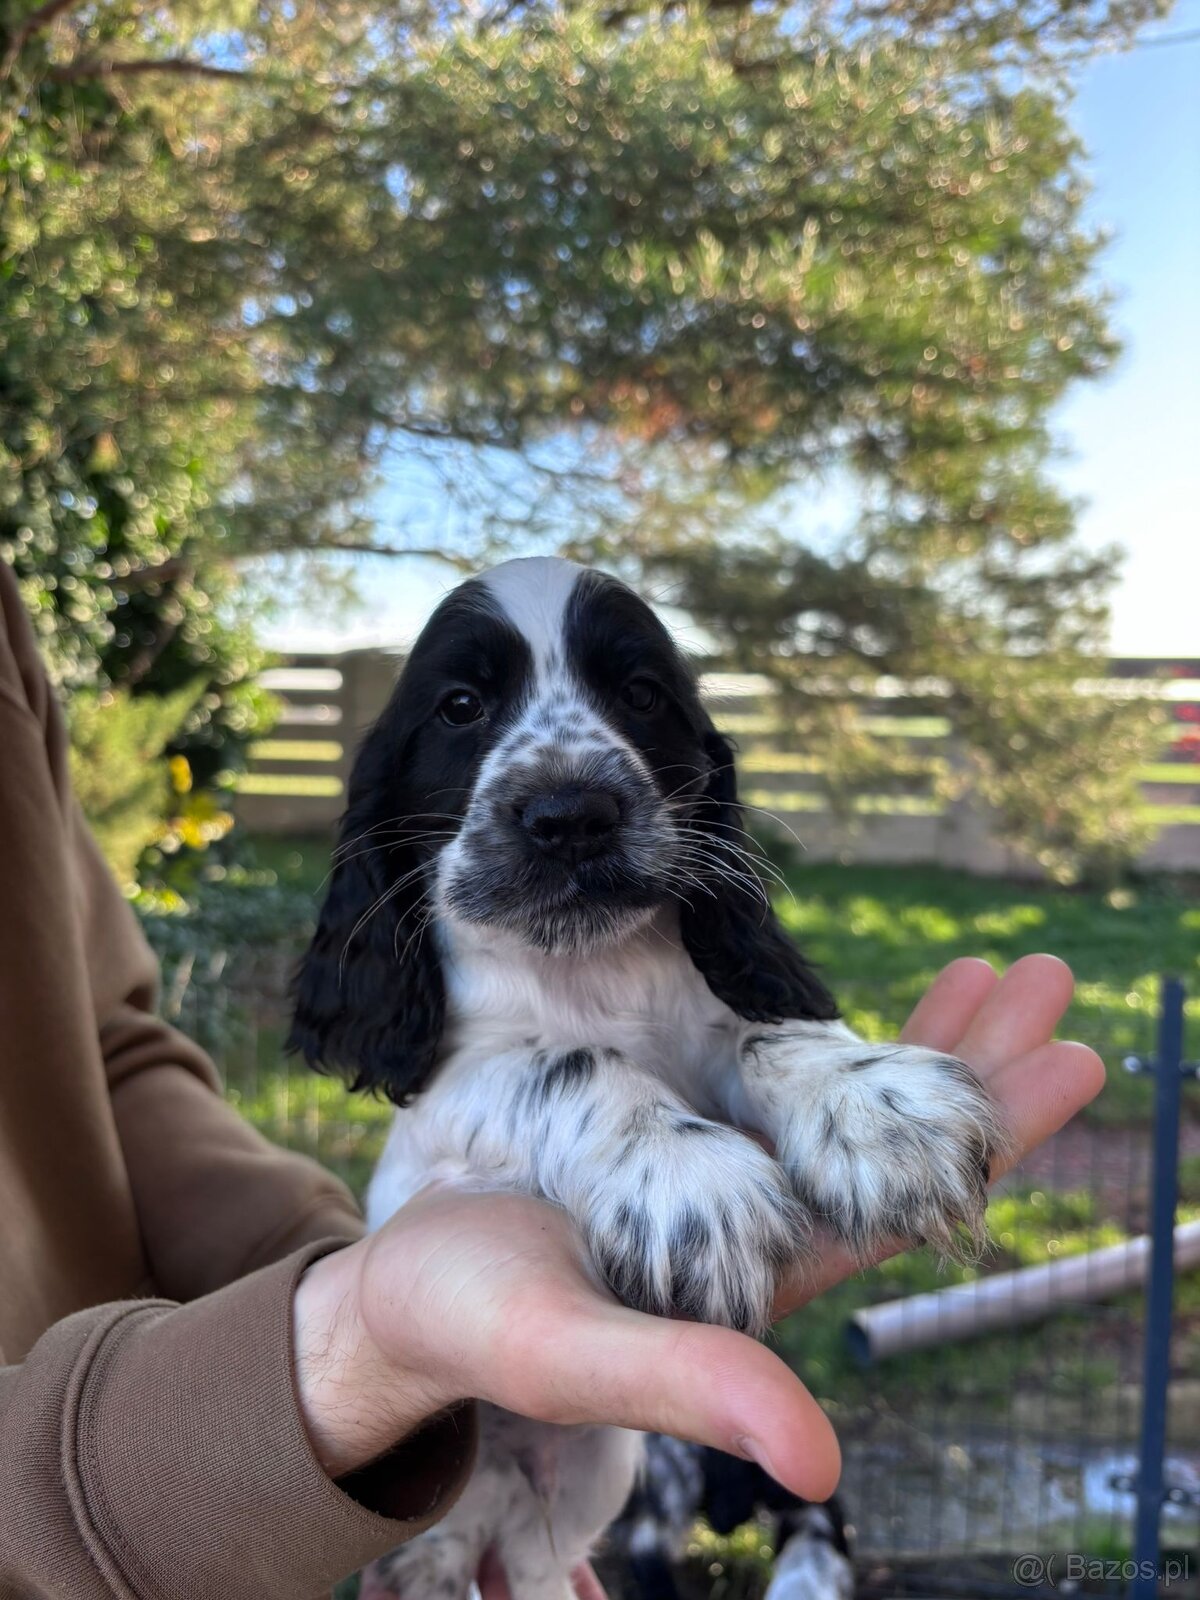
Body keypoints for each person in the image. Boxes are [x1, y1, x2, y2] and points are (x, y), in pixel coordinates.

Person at [0, 558, 1105, 1600]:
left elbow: (727, 1029)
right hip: (303, 1462)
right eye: (468, 710)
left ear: (701, 773)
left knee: (563, 1528)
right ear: (394, 797)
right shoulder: (458, 969)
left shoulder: (674, 935)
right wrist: (608, 1136)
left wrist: (816, 1066)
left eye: (633, 692)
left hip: (558, 1461)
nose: (571, 782)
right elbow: (462, 1086)